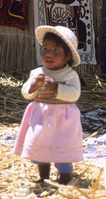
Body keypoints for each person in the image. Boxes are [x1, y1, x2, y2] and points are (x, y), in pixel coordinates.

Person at [14, 25, 83, 185]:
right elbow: (26, 93)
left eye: (55, 50)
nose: (48, 54)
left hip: (63, 120)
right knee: (41, 147)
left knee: (62, 148)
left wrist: (57, 88)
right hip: (41, 118)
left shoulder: (70, 75)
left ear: (67, 56)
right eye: (45, 49)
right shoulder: (37, 73)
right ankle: (43, 177)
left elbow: (74, 94)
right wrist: (34, 85)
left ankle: (65, 179)